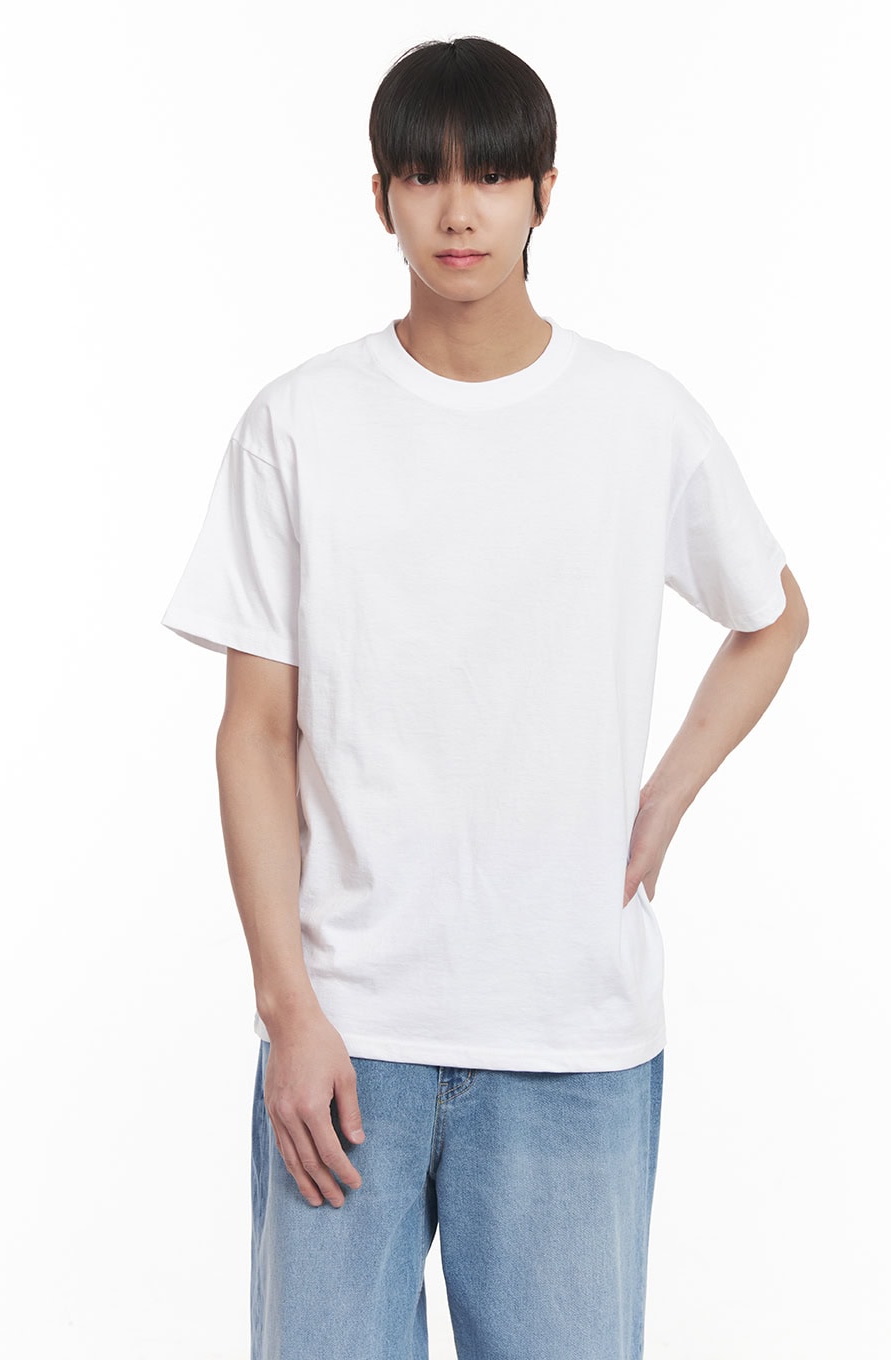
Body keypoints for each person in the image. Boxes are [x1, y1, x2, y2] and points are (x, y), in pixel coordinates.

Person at [160, 34, 809, 1360]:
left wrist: (662, 800)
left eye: (493, 176)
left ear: (544, 193)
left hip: (574, 1035)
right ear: (381, 196)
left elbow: (771, 617)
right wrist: (289, 1011)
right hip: (347, 1037)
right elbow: (255, 732)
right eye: (425, 175)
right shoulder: (299, 423)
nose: (459, 209)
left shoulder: (637, 416)